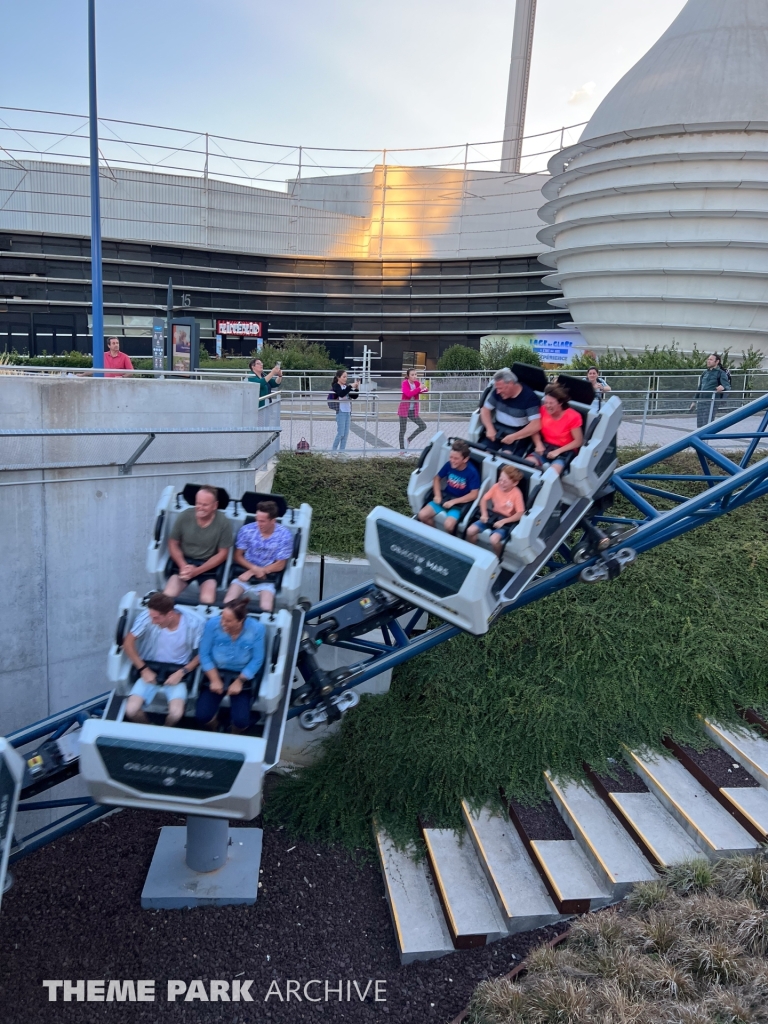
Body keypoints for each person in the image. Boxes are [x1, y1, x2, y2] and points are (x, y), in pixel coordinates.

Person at [123, 592, 203, 727]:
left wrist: (182, 672)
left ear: (170, 614)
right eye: (151, 617)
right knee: (131, 710)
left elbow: (202, 654)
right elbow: (128, 643)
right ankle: (149, 728)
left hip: (177, 671)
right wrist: (143, 669)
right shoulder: (148, 617)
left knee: (176, 713)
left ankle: (166, 729)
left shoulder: (194, 623)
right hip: (150, 668)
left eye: (157, 618)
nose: (153, 622)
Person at [196, 598, 266, 733]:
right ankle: (215, 728)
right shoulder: (212, 625)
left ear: (240, 621)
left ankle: (234, 732)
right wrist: (214, 679)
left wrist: (240, 681)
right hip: (216, 673)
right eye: (222, 618)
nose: (222, 623)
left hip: (241, 675)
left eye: (228, 621)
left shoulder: (256, 629)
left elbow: (257, 659)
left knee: (241, 721)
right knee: (202, 716)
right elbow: (204, 654)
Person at [165, 485, 233, 605]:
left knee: (207, 601)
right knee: (167, 596)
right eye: (198, 503)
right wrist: (183, 566)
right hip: (184, 564)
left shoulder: (223, 522)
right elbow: (173, 543)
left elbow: (223, 554)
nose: (200, 508)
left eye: (205, 505)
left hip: (207, 568)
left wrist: (197, 571)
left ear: (215, 506)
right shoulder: (185, 516)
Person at [224, 499, 294, 611]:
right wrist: (253, 569)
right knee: (228, 602)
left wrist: (254, 571)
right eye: (257, 519)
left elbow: (280, 564)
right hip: (244, 571)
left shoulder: (284, 535)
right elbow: (237, 556)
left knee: (266, 608)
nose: (258, 524)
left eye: (262, 521)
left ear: (273, 521)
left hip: (267, 577)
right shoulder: (247, 530)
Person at [417, 438, 480, 534]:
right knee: (422, 515)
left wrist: (454, 502)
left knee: (448, 525)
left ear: (465, 459)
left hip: (458, 504)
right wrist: (437, 495)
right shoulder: (449, 465)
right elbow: (436, 478)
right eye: (451, 457)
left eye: (456, 459)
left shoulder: (472, 472)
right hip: (444, 498)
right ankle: (435, 536)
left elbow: (474, 494)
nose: (452, 461)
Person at [466, 464, 525, 557]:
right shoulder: (496, 486)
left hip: (505, 522)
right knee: (470, 530)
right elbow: (484, 499)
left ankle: (498, 557)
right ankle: (472, 552)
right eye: (500, 479)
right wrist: (484, 514)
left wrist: (504, 521)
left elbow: (520, 513)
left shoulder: (516, 494)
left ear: (514, 483)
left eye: (505, 482)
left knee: (494, 539)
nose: (501, 483)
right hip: (492, 516)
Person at [479, 368, 541, 457]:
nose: (498, 392)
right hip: (496, 430)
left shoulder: (530, 398)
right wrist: (489, 428)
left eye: (500, 388)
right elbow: (485, 409)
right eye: (497, 389)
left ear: (511, 384)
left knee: (506, 460)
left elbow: (536, 424)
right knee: (480, 452)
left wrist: (514, 437)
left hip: (517, 435)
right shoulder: (498, 393)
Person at [526, 384, 584, 476]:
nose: (547, 406)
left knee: (551, 475)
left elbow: (578, 441)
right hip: (545, 447)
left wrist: (558, 451)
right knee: (527, 465)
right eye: (546, 402)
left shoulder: (573, 416)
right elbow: (534, 428)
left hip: (564, 452)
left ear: (560, 403)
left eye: (551, 403)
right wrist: (538, 444)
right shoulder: (543, 409)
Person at [691, 353, 731, 427]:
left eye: (711, 360)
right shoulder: (705, 373)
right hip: (701, 401)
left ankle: (706, 438)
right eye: (708, 359)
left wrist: (723, 387)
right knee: (700, 424)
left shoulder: (721, 373)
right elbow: (700, 388)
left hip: (712, 402)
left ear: (717, 362)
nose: (708, 361)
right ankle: (701, 438)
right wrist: (694, 401)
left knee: (707, 423)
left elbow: (727, 386)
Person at [398, 369, 429, 453]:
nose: (415, 376)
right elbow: (408, 394)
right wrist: (419, 389)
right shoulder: (405, 383)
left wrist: (421, 388)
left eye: (415, 374)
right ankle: (402, 450)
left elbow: (426, 389)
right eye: (412, 375)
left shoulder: (417, 383)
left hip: (413, 410)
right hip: (404, 409)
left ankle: (409, 439)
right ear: (408, 376)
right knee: (403, 429)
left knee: (423, 426)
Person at [330, 368, 359, 452]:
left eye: (346, 377)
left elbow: (354, 397)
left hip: (348, 411)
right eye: (344, 377)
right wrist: (350, 386)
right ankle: (333, 450)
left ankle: (342, 451)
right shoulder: (336, 386)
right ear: (338, 377)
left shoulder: (346, 386)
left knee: (346, 434)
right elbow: (341, 394)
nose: (345, 379)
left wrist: (357, 388)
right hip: (341, 411)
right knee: (340, 433)